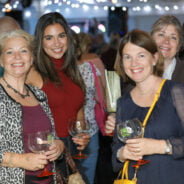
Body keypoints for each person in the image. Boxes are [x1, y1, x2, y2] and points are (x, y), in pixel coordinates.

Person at [112, 29, 184, 184]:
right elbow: (115, 153)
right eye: (127, 57)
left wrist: (160, 146)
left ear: (154, 58)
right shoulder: (123, 103)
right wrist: (122, 153)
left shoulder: (176, 92)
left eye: (141, 55)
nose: (134, 63)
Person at [26, 12, 89, 181]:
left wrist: (81, 135)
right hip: (47, 153)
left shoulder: (73, 69)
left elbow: (78, 112)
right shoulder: (33, 73)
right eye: (49, 38)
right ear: (40, 41)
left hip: (71, 151)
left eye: (61, 36)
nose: (56, 43)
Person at [0, 29, 65, 184]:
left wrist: (59, 146)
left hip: (48, 178)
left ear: (31, 58)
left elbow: (50, 136)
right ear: (1, 60)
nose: (17, 57)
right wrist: (18, 160)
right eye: (10, 52)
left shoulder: (39, 94)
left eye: (23, 51)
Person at [151, 15, 184, 83]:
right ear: (151, 39)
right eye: (161, 35)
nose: (166, 41)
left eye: (173, 38)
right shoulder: (140, 71)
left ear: (178, 45)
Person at [77, 32, 106, 97]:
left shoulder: (69, 62)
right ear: (88, 45)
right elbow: (103, 84)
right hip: (93, 102)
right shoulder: (95, 59)